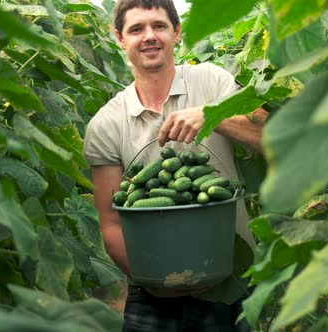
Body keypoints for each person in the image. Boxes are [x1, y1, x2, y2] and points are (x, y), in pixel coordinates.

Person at [83, 0, 268, 330]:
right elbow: (111, 222)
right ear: (120, 38)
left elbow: (271, 138)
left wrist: (215, 115)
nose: (149, 36)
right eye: (137, 29)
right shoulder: (106, 124)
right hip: (152, 291)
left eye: (159, 26)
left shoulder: (212, 82)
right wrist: (159, 279)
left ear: (177, 32)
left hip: (229, 276)